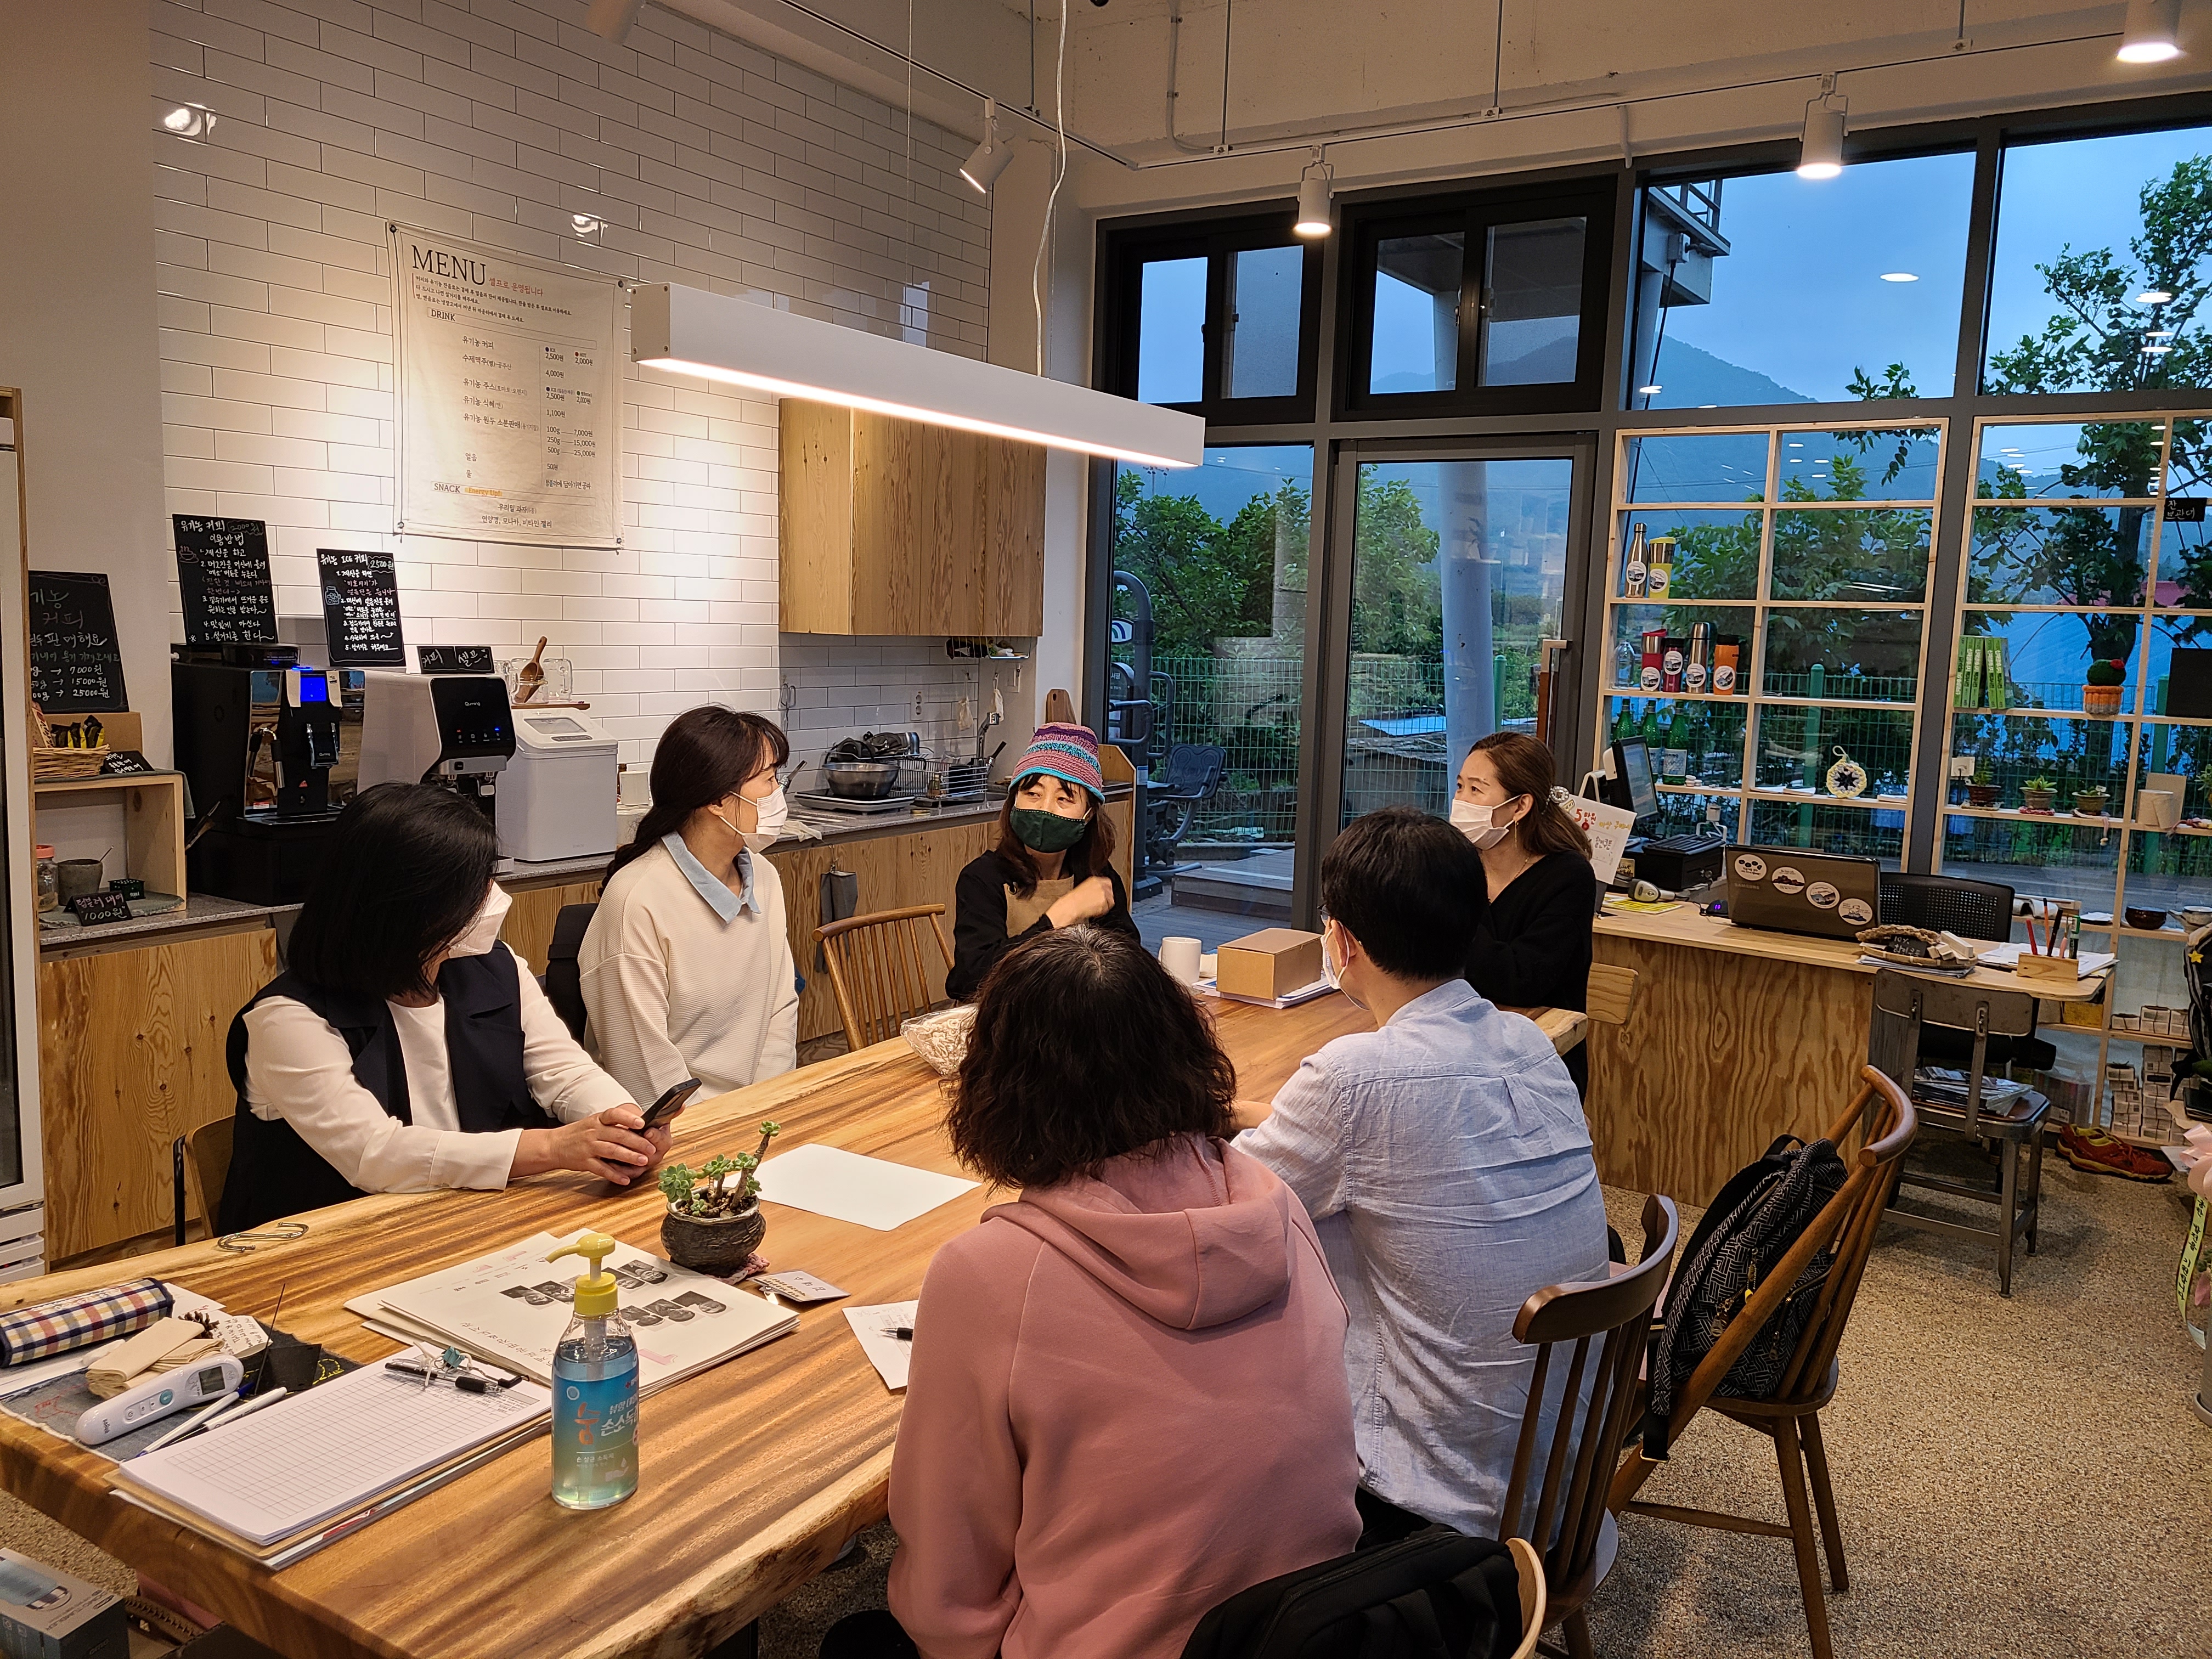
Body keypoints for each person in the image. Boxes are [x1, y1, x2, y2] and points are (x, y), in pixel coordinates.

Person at [823, 927, 1359, 1659]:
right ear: (1187, 1051)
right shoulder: (1274, 1203)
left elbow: (949, 1590)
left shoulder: (991, 1273)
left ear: (995, 1082)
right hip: (1315, 1626)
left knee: (859, 1639)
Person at [1236, 806, 1608, 1546]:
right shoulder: (1530, 1045)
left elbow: (1227, 1208)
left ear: (1342, 942)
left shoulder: (1355, 1078)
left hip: (1426, 1504)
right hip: (1557, 1486)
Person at [220, 785, 673, 1233]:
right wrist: (554, 1148)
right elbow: (375, 1155)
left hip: (472, 1219)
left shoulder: (494, 968)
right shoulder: (288, 1019)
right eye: (475, 885)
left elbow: (564, 1071)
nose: (493, 896)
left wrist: (623, 1123)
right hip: (332, 1241)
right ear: (409, 907)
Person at [580, 706, 799, 1103]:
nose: (777, 794)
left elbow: (779, 1009)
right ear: (717, 800)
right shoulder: (636, 901)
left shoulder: (764, 876)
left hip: (755, 1112)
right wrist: (713, 1125)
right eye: (769, 780)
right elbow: (644, 1069)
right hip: (671, 1123)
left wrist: (768, 1104)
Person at [945, 723, 1137, 1001]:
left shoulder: (1095, 876)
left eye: (1064, 799)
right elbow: (969, 980)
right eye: (1033, 794)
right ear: (1014, 802)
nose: (1045, 809)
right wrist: (1060, 916)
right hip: (1002, 1020)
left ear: (1089, 815)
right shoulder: (982, 878)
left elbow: (1129, 964)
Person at [1452, 730, 1598, 1093]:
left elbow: (1519, 981)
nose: (1461, 801)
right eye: (1460, 786)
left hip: (1536, 1066)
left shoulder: (1568, 877)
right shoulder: (1456, 862)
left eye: (1476, 790)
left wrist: (1447, 912)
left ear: (1520, 806)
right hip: (1457, 1044)